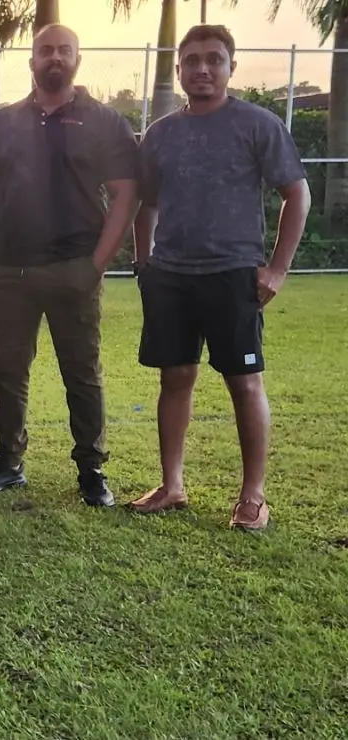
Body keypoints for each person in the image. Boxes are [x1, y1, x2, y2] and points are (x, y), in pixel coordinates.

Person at [129, 25, 309, 530]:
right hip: (170, 276)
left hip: (233, 274)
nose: (202, 69)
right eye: (192, 61)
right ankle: (172, 486)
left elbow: (296, 194)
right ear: (179, 69)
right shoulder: (161, 133)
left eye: (214, 59)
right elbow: (147, 205)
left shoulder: (257, 124)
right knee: (175, 378)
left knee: (244, 382)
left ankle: (253, 497)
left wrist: (277, 269)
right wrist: (144, 263)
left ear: (232, 67)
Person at [0, 25, 138, 507]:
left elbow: (126, 196)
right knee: (8, 373)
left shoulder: (104, 121)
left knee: (81, 371)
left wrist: (96, 264)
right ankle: (8, 462)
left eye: (64, 50)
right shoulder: (2, 123)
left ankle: (91, 468)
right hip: (6, 269)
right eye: (45, 50)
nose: (54, 57)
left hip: (73, 266)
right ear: (32, 61)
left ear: (78, 59)